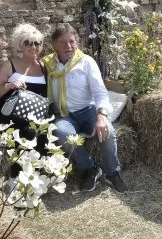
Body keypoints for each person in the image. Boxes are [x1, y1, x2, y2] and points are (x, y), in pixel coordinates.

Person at [42, 23, 126, 193]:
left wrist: (101, 116)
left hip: (88, 111)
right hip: (63, 114)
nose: (68, 46)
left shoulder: (86, 62)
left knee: (107, 132)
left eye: (72, 41)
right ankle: (90, 168)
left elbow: (100, 92)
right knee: (61, 132)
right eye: (63, 42)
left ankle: (112, 173)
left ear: (77, 43)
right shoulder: (47, 65)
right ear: (54, 46)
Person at [0, 23, 49, 165]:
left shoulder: (44, 67)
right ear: (19, 45)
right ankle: (15, 178)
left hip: (32, 117)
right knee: (29, 134)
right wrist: (9, 85)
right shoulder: (9, 65)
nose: (34, 47)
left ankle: (37, 174)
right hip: (6, 115)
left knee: (44, 134)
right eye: (28, 43)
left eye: (37, 43)